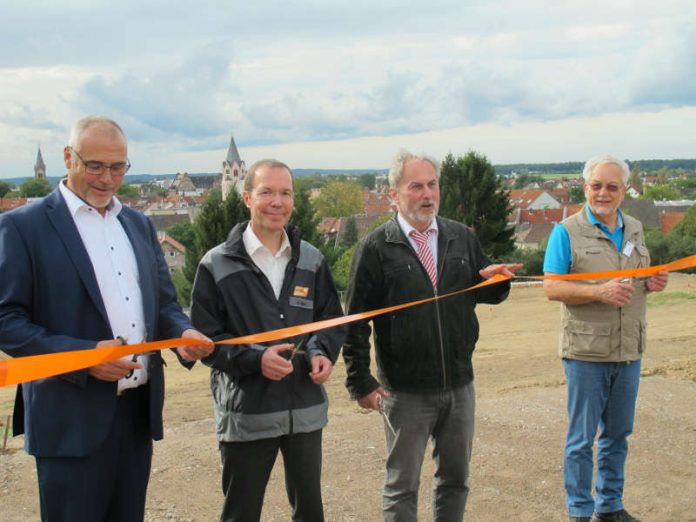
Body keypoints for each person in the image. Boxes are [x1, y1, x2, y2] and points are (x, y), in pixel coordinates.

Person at [0, 116, 213, 522]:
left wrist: (182, 331)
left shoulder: (138, 224)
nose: (107, 178)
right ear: (68, 157)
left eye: (118, 167)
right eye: (95, 165)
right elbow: (6, 319)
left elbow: (164, 304)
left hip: (135, 416)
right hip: (69, 418)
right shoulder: (21, 227)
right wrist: (82, 357)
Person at [342, 150, 521, 522]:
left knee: (455, 480)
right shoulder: (375, 248)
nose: (427, 194)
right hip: (404, 392)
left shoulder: (460, 237)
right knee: (402, 486)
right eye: (416, 186)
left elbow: (477, 290)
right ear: (394, 194)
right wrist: (360, 382)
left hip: (459, 384)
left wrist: (497, 283)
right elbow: (355, 321)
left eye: (433, 184)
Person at [190, 159, 345, 522]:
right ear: (247, 198)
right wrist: (255, 359)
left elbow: (332, 320)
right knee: (241, 513)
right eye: (267, 192)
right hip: (248, 415)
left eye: (285, 193)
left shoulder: (312, 259)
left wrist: (323, 351)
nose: (277, 202)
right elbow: (207, 341)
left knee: (310, 513)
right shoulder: (216, 264)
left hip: (304, 411)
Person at [543, 155, 669, 522]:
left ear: (624, 191)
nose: (603, 193)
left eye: (612, 186)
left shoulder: (634, 228)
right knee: (581, 440)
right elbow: (551, 288)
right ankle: (580, 511)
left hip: (628, 349)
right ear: (585, 188)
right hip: (586, 352)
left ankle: (609, 507)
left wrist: (653, 283)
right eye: (596, 185)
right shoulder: (565, 231)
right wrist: (598, 292)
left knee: (617, 435)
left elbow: (637, 276)